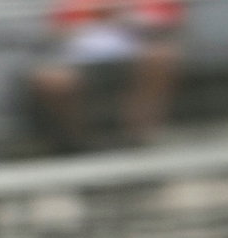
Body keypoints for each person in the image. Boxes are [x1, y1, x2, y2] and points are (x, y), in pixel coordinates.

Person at [32, 0, 184, 150]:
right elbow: (55, 29)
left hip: (134, 45)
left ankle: (139, 134)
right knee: (52, 80)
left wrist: (125, 17)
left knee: (161, 57)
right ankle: (82, 142)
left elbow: (166, 19)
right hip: (75, 53)